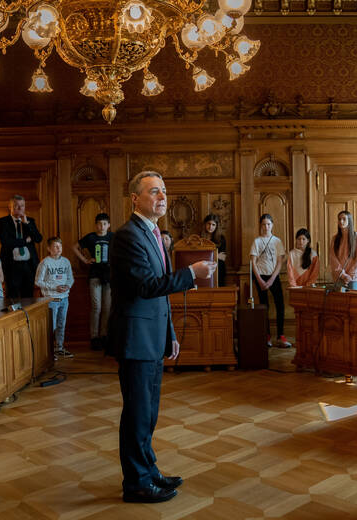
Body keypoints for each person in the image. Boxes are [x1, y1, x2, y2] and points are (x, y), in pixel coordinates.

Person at [106, 170, 215, 504]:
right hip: (135, 338)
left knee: (149, 412)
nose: (162, 196)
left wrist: (169, 333)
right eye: (154, 191)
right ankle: (136, 483)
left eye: (164, 191)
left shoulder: (154, 233)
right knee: (138, 413)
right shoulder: (128, 235)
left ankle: (148, 471)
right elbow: (144, 287)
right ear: (135, 199)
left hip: (152, 336)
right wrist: (191, 275)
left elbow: (158, 294)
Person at [73, 213, 112, 351]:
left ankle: (104, 336)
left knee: (107, 308)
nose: (102, 226)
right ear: (96, 225)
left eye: (104, 224)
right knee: (97, 307)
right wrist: (85, 260)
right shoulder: (91, 237)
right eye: (99, 224)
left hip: (108, 275)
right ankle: (94, 337)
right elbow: (75, 247)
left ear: (108, 225)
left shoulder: (112, 237)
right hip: (94, 274)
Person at [250, 214, 289, 348]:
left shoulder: (277, 241)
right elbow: (253, 263)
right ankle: (266, 335)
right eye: (263, 224)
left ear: (272, 225)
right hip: (260, 276)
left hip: (274, 276)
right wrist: (260, 280)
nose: (266, 227)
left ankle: (281, 336)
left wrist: (272, 279)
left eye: (268, 224)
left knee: (280, 305)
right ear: (260, 226)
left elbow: (280, 262)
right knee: (264, 306)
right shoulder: (257, 241)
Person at [0, 195, 43, 299]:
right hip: (11, 265)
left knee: (28, 297)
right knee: (11, 297)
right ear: (10, 206)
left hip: (29, 265)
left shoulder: (30, 221)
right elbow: (6, 242)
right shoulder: (2, 222)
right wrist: (25, 241)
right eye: (16, 205)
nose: (20, 208)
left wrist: (26, 224)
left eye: (22, 205)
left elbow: (38, 238)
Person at [35, 236, 75, 358]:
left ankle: (59, 348)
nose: (58, 249)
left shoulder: (66, 262)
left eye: (60, 246)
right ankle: (48, 351)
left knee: (61, 324)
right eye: (55, 246)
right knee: (50, 326)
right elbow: (38, 281)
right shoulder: (45, 263)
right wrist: (54, 288)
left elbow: (70, 278)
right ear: (49, 248)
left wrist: (68, 286)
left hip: (64, 298)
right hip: (50, 299)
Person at [329, 210, 357, 290]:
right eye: (339, 219)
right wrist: (343, 275)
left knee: (353, 302)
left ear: (349, 220)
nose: (341, 221)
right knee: (339, 302)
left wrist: (349, 276)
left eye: (344, 219)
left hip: (352, 279)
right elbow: (333, 259)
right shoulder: (334, 239)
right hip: (338, 277)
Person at [201, 214, 227, 287]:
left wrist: (207, 255)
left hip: (218, 269)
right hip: (203, 268)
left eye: (213, 224)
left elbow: (223, 257)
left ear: (216, 226)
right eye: (209, 224)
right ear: (205, 224)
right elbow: (198, 256)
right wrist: (216, 255)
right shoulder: (200, 238)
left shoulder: (221, 238)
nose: (210, 227)